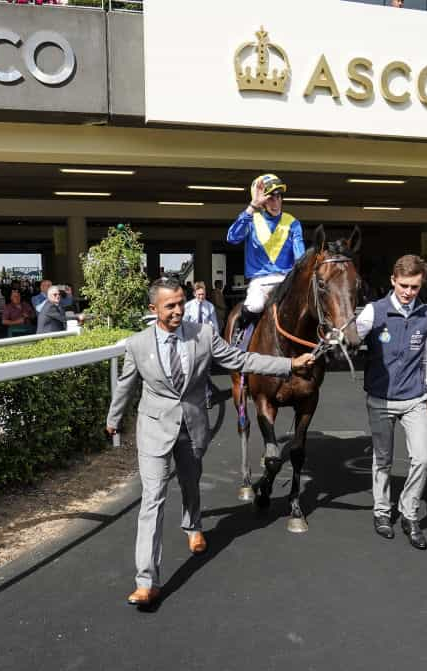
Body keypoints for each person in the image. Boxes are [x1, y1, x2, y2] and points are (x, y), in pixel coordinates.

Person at [105, 277, 315, 607]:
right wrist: (113, 419)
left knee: (190, 482)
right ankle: (146, 580)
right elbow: (125, 386)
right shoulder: (137, 345)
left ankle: (192, 524)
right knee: (153, 499)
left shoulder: (203, 335)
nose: (177, 310)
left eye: (180, 303)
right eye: (169, 306)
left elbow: (243, 360)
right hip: (154, 429)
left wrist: (289, 364)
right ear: (153, 309)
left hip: (193, 426)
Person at [356, 255, 427, 550]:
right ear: (393, 280)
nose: (408, 292)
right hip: (380, 399)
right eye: (404, 285)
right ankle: (381, 512)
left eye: (415, 287)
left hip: (414, 399)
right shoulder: (373, 311)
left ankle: (409, 513)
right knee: (383, 459)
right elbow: (352, 336)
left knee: (423, 458)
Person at [226, 173, 305, 344]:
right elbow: (232, 238)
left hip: (286, 280)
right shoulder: (252, 219)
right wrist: (252, 206)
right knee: (255, 305)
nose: (276, 202)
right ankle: (239, 339)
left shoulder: (293, 223)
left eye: (279, 197)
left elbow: (300, 258)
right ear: (262, 200)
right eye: (270, 198)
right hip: (260, 281)